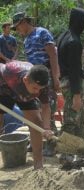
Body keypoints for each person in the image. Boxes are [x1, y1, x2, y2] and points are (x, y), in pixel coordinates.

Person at [11, 12, 60, 156]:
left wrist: (56, 77)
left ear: (24, 22)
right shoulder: (26, 40)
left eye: (17, 27)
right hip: (32, 79)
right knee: (34, 110)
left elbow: (53, 55)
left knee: (48, 108)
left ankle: (51, 143)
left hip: (46, 76)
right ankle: (35, 141)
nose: (17, 30)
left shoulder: (42, 33)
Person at [0, 61, 54, 169]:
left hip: (25, 96)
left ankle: (38, 165)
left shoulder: (43, 85)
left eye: (40, 89)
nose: (37, 92)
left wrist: (46, 128)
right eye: (35, 88)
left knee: (37, 124)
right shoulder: (10, 72)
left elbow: (45, 106)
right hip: (4, 90)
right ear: (26, 80)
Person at [57, 8, 84, 163]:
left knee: (80, 118)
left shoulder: (63, 36)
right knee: (70, 119)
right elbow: (75, 70)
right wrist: (76, 95)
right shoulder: (74, 42)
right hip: (72, 84)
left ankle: (83, 150)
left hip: (65, 81)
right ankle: (66, 156)